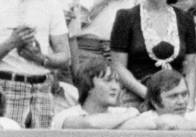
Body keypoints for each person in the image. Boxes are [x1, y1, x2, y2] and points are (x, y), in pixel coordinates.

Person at [111, 0, 196, 109]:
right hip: (136, 96)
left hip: (176, 96)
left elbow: (190, 69)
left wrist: (189, 104)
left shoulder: (185, 18)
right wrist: (151, 96)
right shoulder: (126, 16)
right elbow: (118, 67)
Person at [0, 0, 70, 128]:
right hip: (5, 88)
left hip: (42, 90)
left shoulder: (51, 4)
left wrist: (40, 58)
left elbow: (65, 57)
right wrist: (11, 42)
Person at [51, 56, 140, 129]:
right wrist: (129, 114)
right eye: (107, 81)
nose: (115, 87)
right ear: (88, 85)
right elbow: (91, 124)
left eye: (117, 81)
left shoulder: (120, 112)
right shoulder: (66, 115)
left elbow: (151, 122)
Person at [120, 69, 196, 130]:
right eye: (173, 96)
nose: (181, 102)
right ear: (155, 102)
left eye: (184, 94)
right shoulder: (143, 121)